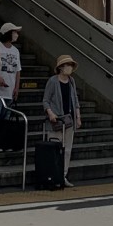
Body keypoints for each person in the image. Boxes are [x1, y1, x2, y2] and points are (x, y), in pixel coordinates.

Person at [43, 55, 82, 187]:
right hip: (56, 121)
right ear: (60, 67)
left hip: (69, 121)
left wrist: (78, 116)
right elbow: (46, 100)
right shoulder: (53, 81)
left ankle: (63, 176)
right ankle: (53, 176)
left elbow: (75, 100)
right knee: (55, 149)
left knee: (67, 150)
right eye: (67, 65)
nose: (69, 68)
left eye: (71, 65)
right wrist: (51, 113)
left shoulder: (71, 81)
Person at [0, 22, 23, 150]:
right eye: (14, 32)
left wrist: (17, 88)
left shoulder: (15, 51)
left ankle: (2, 141)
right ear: (8, 33)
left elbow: (18, 71)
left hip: (10, 89)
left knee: (6, 117)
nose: (16, 35)